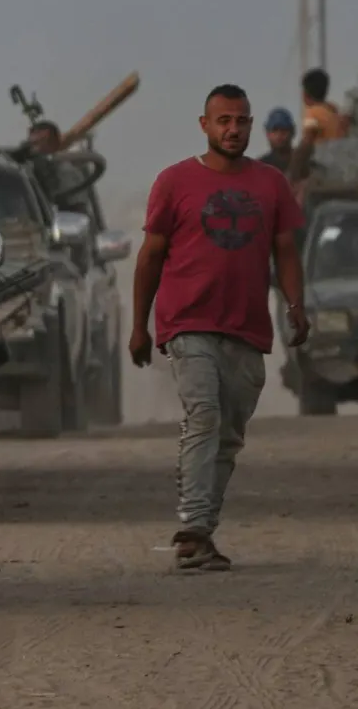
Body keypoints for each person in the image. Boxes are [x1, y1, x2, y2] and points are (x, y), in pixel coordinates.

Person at [129, 84, 308, 572]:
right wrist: (139, 326)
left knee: (228, 434)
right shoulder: (174, 182)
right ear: (204, 125)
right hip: (188, 322)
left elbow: (286, 251)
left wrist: (296, 304)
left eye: (241, 121)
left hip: (247, 328)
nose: (233, 129)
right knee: (204, 415)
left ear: (251, 126)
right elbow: (150, 256)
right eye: (224, 120)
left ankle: (202, 527)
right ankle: (191, 530)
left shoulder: (271, 184)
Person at [259, 108, 296, 174]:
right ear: (267, 133)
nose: (279, 135)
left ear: (292, 132)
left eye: (284, 130)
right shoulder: (260, 167)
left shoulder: (304, 163)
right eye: (275, 130)